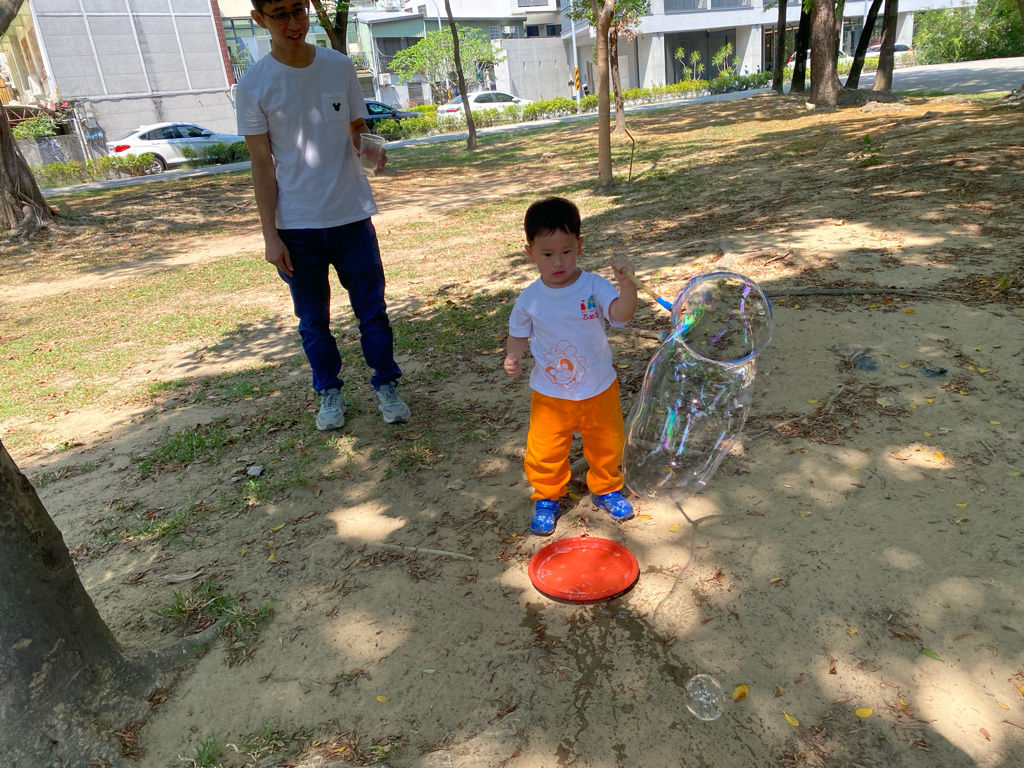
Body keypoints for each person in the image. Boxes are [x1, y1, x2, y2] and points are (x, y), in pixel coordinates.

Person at [235, 0, 410, 431]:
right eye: (280, 14)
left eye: (299, 10)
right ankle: (328, 392)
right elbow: (261, 163)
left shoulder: (339, 66)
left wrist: (371, 151)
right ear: (259, 18)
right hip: (297, 227)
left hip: (351, 216)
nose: (293, 23)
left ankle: (386, 384)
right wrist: (270, 236)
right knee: (313, 322)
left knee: (372, 312)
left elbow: (356, 130)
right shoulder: (254, 84)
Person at [504, 197, 639, 536]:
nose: (558, 261)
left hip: (599, 388)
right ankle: (547, 496)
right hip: (551, 395)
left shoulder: (593, 286)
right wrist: (513, 356)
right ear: (530, 253)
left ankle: (606, 487)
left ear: (579, 245)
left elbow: (620, 315)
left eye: (566, 251)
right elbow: (518, 333)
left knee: (607, 443)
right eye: (547, 254)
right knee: (545, 450)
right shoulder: (530, 298)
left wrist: (627, 288)